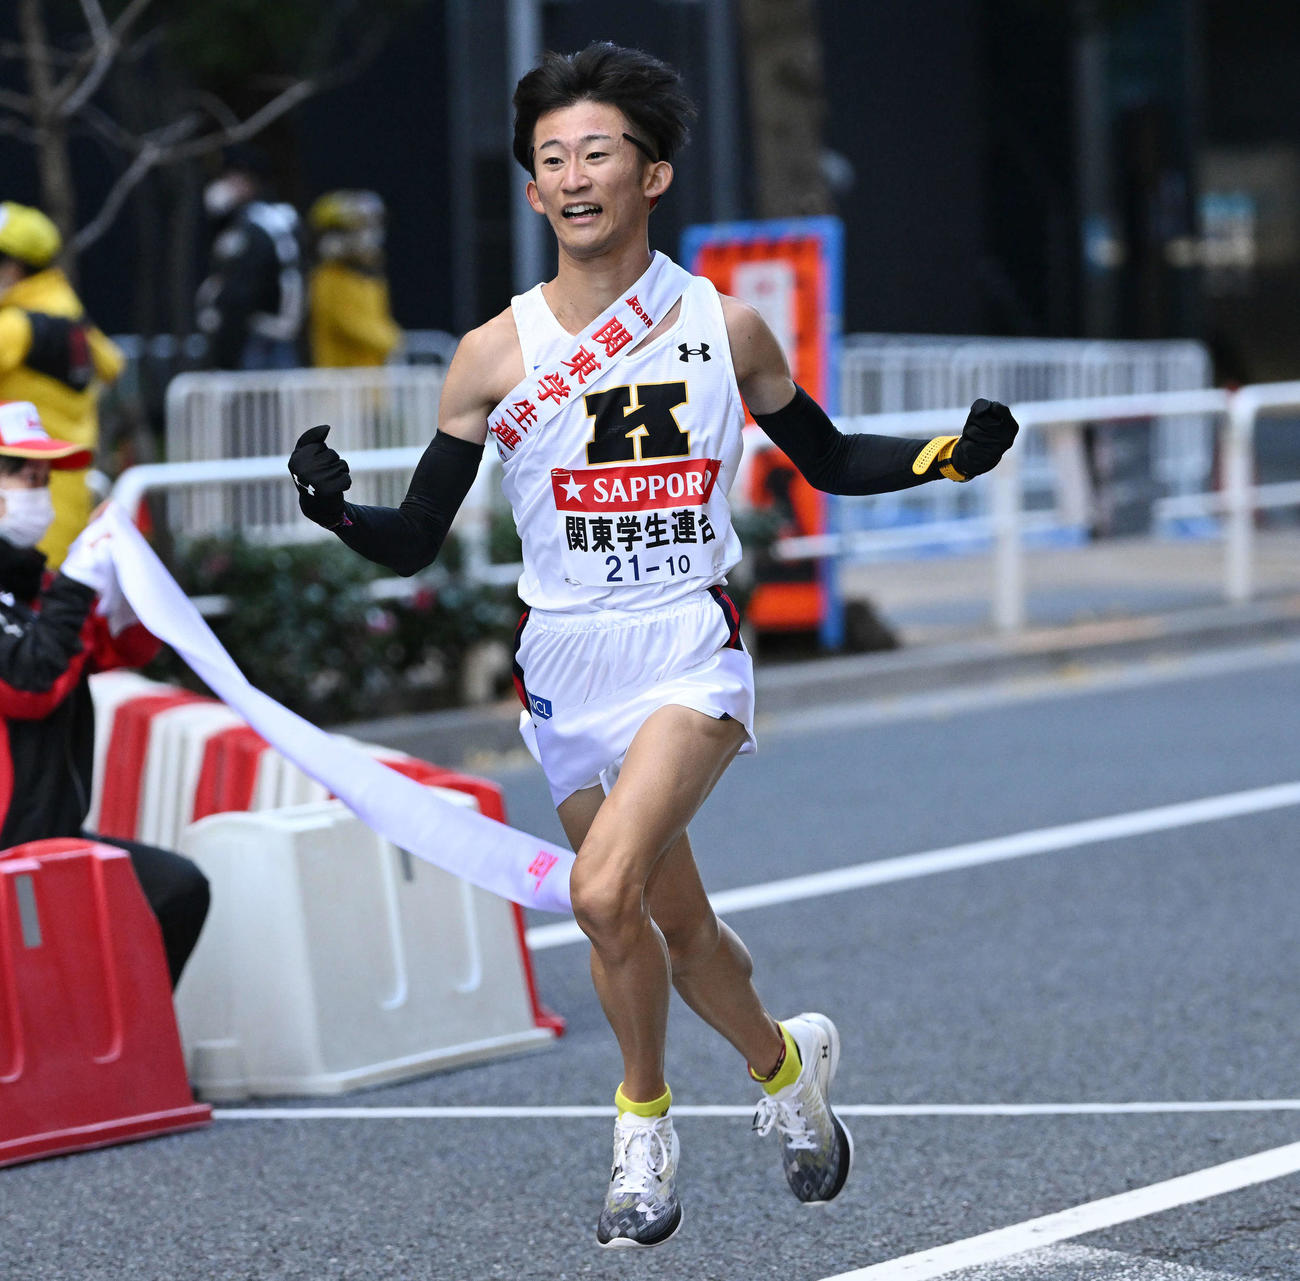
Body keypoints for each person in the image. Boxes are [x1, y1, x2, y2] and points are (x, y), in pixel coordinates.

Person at [287, 43, 1018, 1248]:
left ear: (653, 175)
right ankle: (789, 1074)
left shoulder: (723, 325)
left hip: (686, 645)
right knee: (666, 927)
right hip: (565, 667)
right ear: (533, 191)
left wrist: (947, 453)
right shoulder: (490, 355)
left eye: (599, 154)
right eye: (552, 160)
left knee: (597, 889)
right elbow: (418, 537)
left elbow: (828, 460)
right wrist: (335, 509)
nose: (575, 176)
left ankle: (642, 1133)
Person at [0, 399, 209, 988]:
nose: (37, 494)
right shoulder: (45, 592)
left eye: (43, 480)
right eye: (21, 475)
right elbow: (28, 683)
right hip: (11, 848)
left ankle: (131, 1060)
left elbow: (121, 648)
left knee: (177, 890)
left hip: (53, 839)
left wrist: (129, 574)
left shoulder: (30, 588)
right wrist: (76, 583)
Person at [0, 201, 125, 567]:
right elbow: (113, 364)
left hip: (17, 504)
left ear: (13, 267)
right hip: (64, 500)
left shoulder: (16, 327)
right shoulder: (69, 313)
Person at [195, 146, 304, 372]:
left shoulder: (255, 227)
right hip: (281, 333)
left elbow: (241, 289)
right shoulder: (281, 218)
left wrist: (223, 348)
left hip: (256, 337)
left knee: (252, 403)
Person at [307, 190, 403, 368]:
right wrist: (392, 339)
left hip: (371, 380)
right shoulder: (327, 278)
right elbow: (349, 324)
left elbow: (380, 318)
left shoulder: (370, 278)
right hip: (341, 383)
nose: (368, 237)